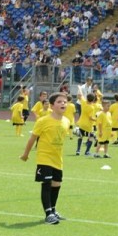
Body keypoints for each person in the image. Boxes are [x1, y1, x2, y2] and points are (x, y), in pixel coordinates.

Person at [20, 92, 70, 225]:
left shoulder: (66, 121)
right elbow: (33, 138)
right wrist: (26, 154)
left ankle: (53, 210)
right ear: (52, 106)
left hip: (57, 159)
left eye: (65, 102)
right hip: (44, 157)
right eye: (59, 102)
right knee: (47, 184)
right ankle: (48, 213)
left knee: (56, 184)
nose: (63, 104)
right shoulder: (43, 121)